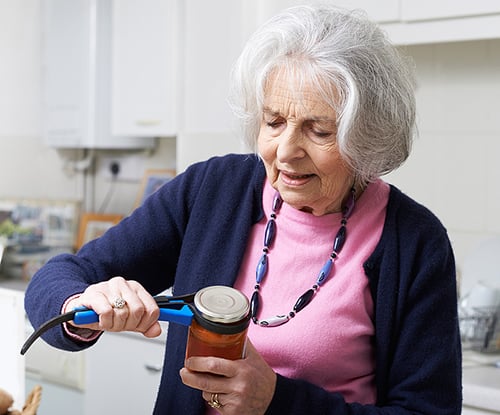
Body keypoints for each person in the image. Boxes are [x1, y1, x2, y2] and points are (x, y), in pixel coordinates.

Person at [24, 4, 462, 415]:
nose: (287, 151)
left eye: (319, 130)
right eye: (273, 122)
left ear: (364, 136)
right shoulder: (212, 189)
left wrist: (276, 400)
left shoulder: (414, 242)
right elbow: (55, 279)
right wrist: (82, 304)